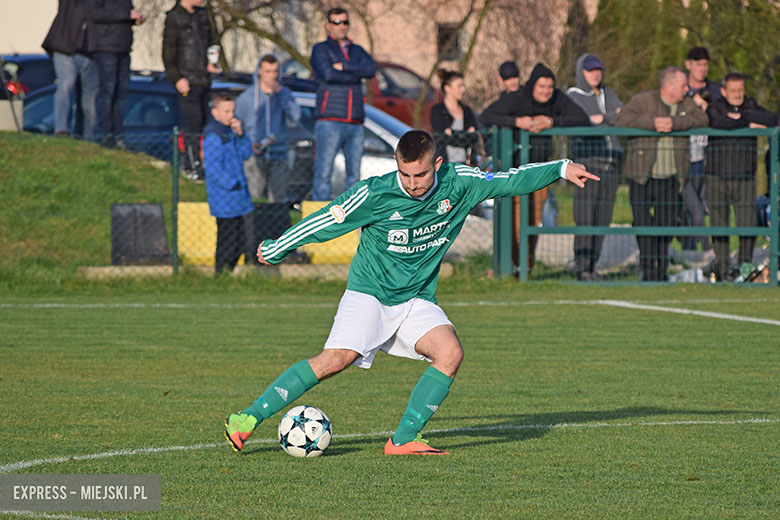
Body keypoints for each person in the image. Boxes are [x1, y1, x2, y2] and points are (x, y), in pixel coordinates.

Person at [224, 130, 599, 455]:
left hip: (417, 298)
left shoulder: (460, 183)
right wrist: (280, 246)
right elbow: (328, 218)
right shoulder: (376, 193)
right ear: (395, 164)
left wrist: (561, 168)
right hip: (369, 293)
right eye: (405, 173)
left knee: (450, 352)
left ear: (436, 163)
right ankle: (247, 417)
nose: (412, 183)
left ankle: (403, 439)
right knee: (334, 360)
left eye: (420, 174)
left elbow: (507, 180)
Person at [480, 62, 590, 273]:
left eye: (549, 87)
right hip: (515, 172)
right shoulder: (517, 99)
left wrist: (551, 122)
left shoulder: (557, 98)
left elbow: (582, 119)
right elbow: (486, 116)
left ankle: (525, 267)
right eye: (542, 87)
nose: (546, 92)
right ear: (532, 86)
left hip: (541, 172)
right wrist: (518, 122)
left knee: (534, 221)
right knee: (515, 222)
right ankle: (510, 266)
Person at [615, 67, 708, 281]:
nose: (687, 89)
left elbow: (702, 119)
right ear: (669, 86)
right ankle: (648, 269)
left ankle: (661, 268)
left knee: (665, 224)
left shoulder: (686, 104)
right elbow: (621, 121)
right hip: (641, 176)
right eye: (684, 85)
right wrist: (652, 123)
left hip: (672, 179)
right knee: (642, 223)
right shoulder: (643, 101)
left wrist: (675, 123)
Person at [705, 72, 776, 281]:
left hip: (745, 176)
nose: (738, 94)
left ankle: (744, 269)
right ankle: (723, 269)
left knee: (747, 224)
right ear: (724, 91)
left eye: (741, 90)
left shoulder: (750, 104)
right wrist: (747, 122)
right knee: (719, 225)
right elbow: (718, 123)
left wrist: (742, 118)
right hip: (717, 176)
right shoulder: (715, 106)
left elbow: (772, 119)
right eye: (733, 90)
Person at [310, 7, 378, 201]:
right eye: (336, 22)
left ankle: (350, 221)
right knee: (323, 174)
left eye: (345, 22)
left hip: (355, 122)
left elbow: (372, 69)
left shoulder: (356, 50)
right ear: (328, 25)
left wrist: (346, 67)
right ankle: (320, 223)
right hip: (330, 120)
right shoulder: (320, 49)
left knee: (354, 178)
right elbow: (329, 74)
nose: (341, 26)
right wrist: (357, 75)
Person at [565, 54, 623, 280]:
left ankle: (593, 267)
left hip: (611, 165)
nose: (596, 74)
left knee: (603, 219)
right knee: (586, 218)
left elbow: (621, 115)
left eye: (598, 69)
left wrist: (604, 118)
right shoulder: (574, 95)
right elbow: (582, 121)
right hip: (588, 164)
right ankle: (581, 268)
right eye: (590, 70)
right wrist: (605, 118)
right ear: (581, 72)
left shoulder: (609, 94)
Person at [163, 0, 219, 183]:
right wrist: (177, 78)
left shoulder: (203, 15)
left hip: (204, 79)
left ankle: (200, 163)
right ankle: (191, 165)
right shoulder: (174, 18)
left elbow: (212, 42)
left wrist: (212, 62)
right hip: (187, 80)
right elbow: (168, 53)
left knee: (203, 120)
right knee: (192, 122)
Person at [235, 54, 301, 202]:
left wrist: (281, 93)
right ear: (259, 71)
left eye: (275, 71)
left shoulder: (284, 93)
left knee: (277, 201)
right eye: (267, 71)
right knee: (255, 199)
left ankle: (277, 225)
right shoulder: (247, 97)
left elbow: (295, 117)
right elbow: (237, 126)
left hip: (279, 155)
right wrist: (247, 143)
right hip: (254, 157)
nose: (271, 76)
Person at [202, 94, 254, 274]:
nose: (231, 115)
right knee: (227, 238)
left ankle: (228, 270)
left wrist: (241, 134)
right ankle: (221, 271)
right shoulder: (214, 136)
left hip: (239, 196)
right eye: (226, 111)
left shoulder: (231, 133)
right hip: (225, 196)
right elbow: (212, 167)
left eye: (232, 111)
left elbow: (246, 154)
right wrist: (232, 183)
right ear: (215, 113)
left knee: (240, 238)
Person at [84, 0, 145, 148]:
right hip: (105, 46)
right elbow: (94, 13)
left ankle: (118, 135)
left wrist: (134, 19)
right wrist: (126, 15)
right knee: (108, 92)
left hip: (123, 47)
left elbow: (120, 16)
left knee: (121, 94)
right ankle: (106, 135)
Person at [682, 46, 721, 252]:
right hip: (683, 162)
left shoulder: (715, 92)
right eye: (698, 64)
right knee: (691, 208)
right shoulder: (681, 89)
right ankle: (703, 251)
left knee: (701, 209)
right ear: (689, 65)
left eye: (706, 64)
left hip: (705, 162)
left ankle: (693, 253)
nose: (702, 68)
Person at [42, 0, 98, 141]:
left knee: (89, 98)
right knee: (66, 85)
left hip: (90, 52)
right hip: (65, 48)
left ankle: (87, 135)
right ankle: (61, 129)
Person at [429, 69, 480, 165]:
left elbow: (474, 137)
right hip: (446, 165)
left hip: (467, 165)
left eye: (463, 86)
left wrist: (452, 134)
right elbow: (441, 137)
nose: (463, 89)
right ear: (447, 88)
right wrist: (464, 135)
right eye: (459, 86)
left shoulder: (467, 111)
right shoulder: (437, 110)